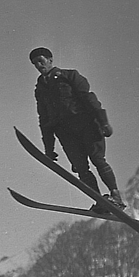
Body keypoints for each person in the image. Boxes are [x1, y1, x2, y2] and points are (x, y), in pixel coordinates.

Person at [30, 47, 125, 213]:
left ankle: (115, 196)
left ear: (50, 60)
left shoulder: (69, 76)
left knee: (98, 159)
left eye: (41, 61)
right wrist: (48, 149)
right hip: (65, 133)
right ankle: (100, 201)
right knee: (81, 168)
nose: (39, 65)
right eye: (35, 63)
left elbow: (89, 98)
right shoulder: (40, 89)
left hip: (86, 125)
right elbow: (44, 119)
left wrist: (103, 122)